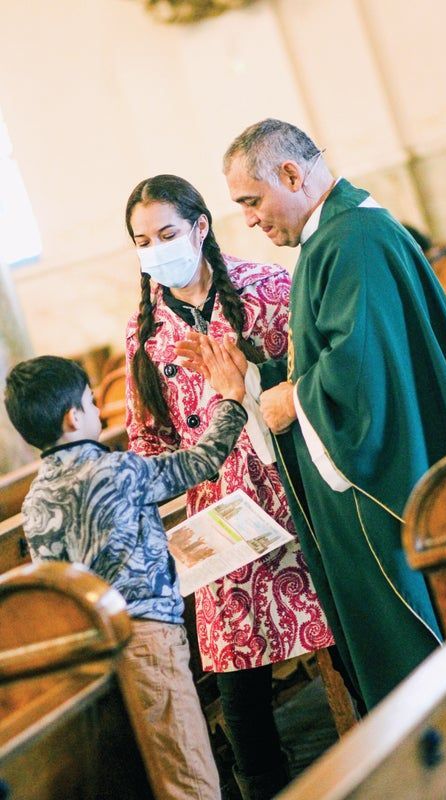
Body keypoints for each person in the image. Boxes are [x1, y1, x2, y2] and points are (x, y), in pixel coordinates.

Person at [215, 118, 446, 711]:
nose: (248, 219)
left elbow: (360, 377)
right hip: (377, 480)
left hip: (384, 492)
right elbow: (330, 360)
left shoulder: (351, 242)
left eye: (252, 200)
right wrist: (251, 381)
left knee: (421, 686)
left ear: (292, 174)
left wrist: (290, 399)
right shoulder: (335, 237)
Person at [124, 174, 335, 800]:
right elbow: (147, 444)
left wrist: (252, 384)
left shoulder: (271, 290)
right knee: (241, 699)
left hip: (295, 502)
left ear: (200, 227)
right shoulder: (146, 335)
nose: (156, 248)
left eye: (167, 233)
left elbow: (316, 382)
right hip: (220, 522)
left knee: (345, 649)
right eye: (142, 240)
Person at [4, 351, 248, 800]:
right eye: (93, 403)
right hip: (146, 641)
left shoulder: (35, 503)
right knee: (189, 773)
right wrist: (232, 402)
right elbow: (198, 463)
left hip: (93, 654)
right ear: (73, 417)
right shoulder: (118, 470)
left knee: (147, 776)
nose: (99, 410)